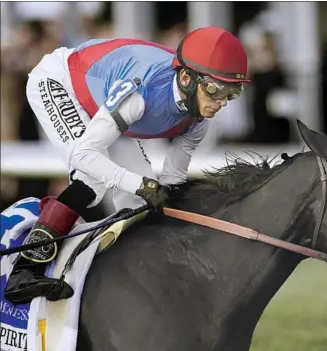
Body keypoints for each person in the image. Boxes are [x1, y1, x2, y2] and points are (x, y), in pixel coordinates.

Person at [5, 26, 250, 305]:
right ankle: (25, 269)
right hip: (60, 81)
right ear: (186, 77)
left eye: (231, 93)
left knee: (138, 203)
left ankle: (138, 281)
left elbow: (171, 182)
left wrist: (166, 201)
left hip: (104, 103)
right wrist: (142, 185)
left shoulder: (196, 124)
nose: (220, 103)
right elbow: (85, 155)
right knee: (91, 178)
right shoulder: (140, 94)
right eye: (215, 89)